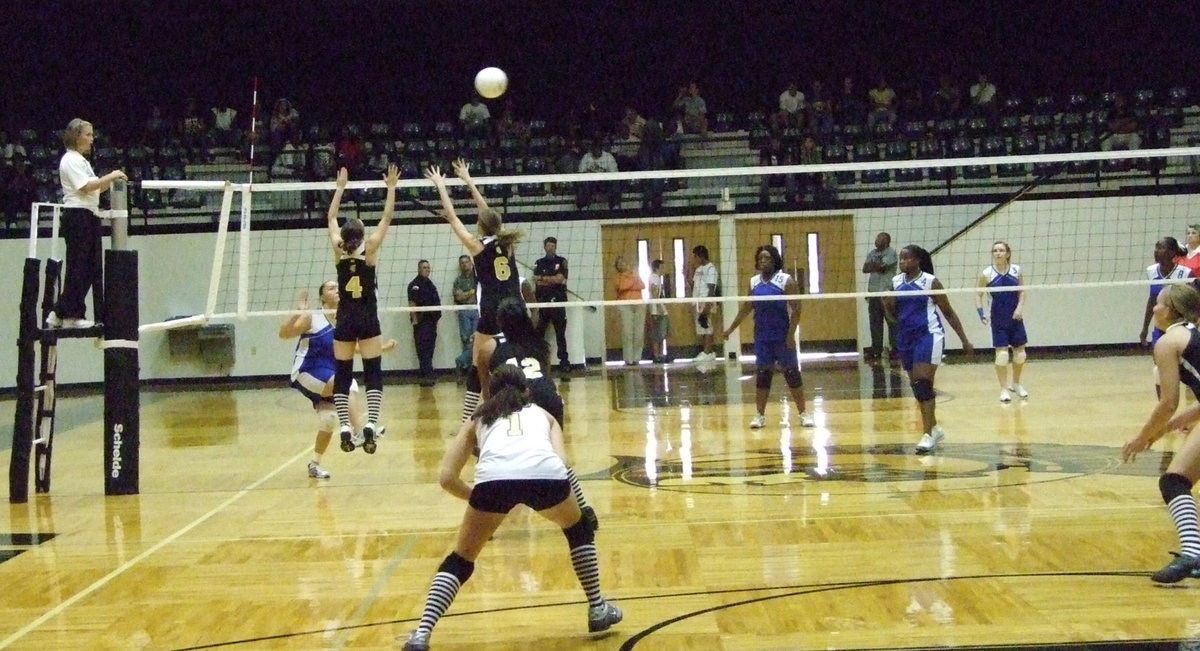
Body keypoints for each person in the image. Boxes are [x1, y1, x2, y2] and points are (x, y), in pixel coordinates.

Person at [398, 365, 622, 651]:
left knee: (461, 559)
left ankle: (421, 634)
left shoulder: (477, 419)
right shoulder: (544, 415)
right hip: (546, 476)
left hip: (493, 482)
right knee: (579, 530)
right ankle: (598, 608)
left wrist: (478, 499)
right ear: (527, 390)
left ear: (488, 393)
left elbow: (446, 478)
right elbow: (563, 465)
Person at [483, 298, 598, 529]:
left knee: (498, 459)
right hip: (549, 400)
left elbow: (488, 391)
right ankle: (583, 509)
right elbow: (545, 378)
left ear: (500, 321)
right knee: (556, 458)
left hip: (516, 401)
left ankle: (487, 515)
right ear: (525, 318)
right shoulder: (541, 344)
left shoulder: (489, 347)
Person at [427, 158, 524, 407]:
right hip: (516, 306)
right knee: (520, 360)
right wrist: (469, 181)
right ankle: (521, 405)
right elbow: (488, 214)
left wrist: (441, 185)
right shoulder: (508, 243)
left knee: (477, 364)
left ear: (481, 225)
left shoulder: (477, 246)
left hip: (493, 309)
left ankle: (472, 414)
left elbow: (452, 216)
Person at [1121, 283, 1200, 584]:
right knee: (1175, 480)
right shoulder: (1192, 335)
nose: (1153, 308)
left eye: (1157, 303)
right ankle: (1193, 553)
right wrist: (1160, 432)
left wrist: (1142, 437)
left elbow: (1168, 403)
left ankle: (1193, 553)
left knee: (1174, 481)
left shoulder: (1167, 343)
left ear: (1168, 310)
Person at [278, 282, 397, 477]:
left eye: (338, 287)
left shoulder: (345, 320)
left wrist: (382, 348)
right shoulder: (312, 317)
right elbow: (283, 334)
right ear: (322, 297)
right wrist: (298, 312)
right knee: (348, 383)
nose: (337, 290)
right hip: (307, 370)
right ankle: (359, 432)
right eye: (331, 288)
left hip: (328, 375)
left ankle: (314, 464)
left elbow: (353, 348)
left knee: (328, 420)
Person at [326, 164, 399, 454]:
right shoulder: (370, 250)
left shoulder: (338, 249)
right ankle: (371, 423)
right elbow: (387, 217)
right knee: (373, 372)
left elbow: (331, 217)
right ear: (361, 235)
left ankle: (345, 426)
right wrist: (391, 188)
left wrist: (340, 188)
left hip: (344, 318)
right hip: (368, 318)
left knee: (343, 373)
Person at [884, 245, 974, 454]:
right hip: (905, 338)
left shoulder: (930, 282)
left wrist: (964, 340)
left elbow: (948, 312)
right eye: (901, 259)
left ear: (918, 260)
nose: (903, 262)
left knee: (923, 383)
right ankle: (934, 428)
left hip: (928, 335)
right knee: (917, 388)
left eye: (907, 258)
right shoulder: (895, 283)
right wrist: (886, 304)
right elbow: (893, 318)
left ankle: (927, 435)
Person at [719, 245, 815, 428]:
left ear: (774, 260)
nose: (763, 261)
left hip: (782, 336)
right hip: (762, 337)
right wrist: (730, 329)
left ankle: (803, 413)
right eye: (760, 258)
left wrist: (790, 335)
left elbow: (797, 310)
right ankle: (759, 415)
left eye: (767, 258)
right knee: (763, 375)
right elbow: (747, 307)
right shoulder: (754, 282)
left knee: (792, 373)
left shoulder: (786, 280)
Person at [46, 119, 127, 330]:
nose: (92, 139)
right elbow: (85, 187)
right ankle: (69, 314)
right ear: (77, 136)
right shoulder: (70, 160)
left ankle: (60, 312)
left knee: (88, 267)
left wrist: (111, 181)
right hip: (78, 216)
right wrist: (111, 175)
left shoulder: (81, 161)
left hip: (88, 214)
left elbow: (95, 188)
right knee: (79, 266)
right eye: (88, 135)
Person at [975, 241, 1029, 403]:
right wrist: (981, 313)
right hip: (998, 318)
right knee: (1002, 356)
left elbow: (1022, 291)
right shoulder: (987, 273)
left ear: (1007, 253)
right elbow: (978, 294)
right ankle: (1004, 389)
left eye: (1001, 250)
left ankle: (1016, 384)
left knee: (1020, 355)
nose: (998, 253)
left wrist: (1020, 308)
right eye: (995, 250)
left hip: (1015, 318)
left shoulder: (1016, 270)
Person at [1141, 238, 1192, 349]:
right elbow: (1152, 300)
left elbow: (1193, 303)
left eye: (1160, 248)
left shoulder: (1186, 273)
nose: (1156, 251)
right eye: (1156, 247)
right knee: (1159, 355)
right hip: (1161, 325)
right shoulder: (1151, 271)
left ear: (1172, 252)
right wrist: (1145, 328)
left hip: (1181, 325)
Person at [533, 236, 571, 372]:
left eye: (552, 246)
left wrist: (543, 278)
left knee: (560, 334)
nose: (550, 248)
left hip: (558, 302)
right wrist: (551, 279)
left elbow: (560, 280)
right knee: (539, 334)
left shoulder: (562, 261)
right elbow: (536, 281)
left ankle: (564, 362)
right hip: (543, 303)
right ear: (544, 247)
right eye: (548, 246)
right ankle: (538, 361)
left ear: (556, 247)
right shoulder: (539, 262)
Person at [861, 232, 898, 362]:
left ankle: (895, 349)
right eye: (876, 238)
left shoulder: (891, 253)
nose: (876, 240)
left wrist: (874, 265)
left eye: (879, 238)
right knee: (875, 323)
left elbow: (882, 267)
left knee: (892, 322)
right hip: (874, 293)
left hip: (887, 293)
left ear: (886, 241)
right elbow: (865, 269)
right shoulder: (872, 252)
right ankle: (876, 349)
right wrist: (875, 265)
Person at [407, 259, 442, 386]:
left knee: (430, 348)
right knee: (423, 349)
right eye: (424, 267)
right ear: (419, 269)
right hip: (422, 322)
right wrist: (415, 321)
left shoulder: (430, 284)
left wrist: (436, 319)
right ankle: (428, 374)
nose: (427, 269)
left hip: (431, 322)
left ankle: (424, 375)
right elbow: (412, 303)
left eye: (428, 267)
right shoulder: (414, 285)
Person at [612, 256, 646, 365]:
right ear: (617, 266)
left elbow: (642, 285)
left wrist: (632, 281)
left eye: (623, 262)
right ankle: (628, 359)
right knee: (627, 333)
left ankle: (637, 358)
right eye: (619, 263)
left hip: (639, 304)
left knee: (639, 332)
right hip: (625, 305)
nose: (622, 264)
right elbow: (622, 286)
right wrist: (634, 281)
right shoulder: (617, 277)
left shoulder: (634, 274)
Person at [690, 245, 720, 361]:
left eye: (695, 257)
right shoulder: (698, 269)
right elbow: (693, 285)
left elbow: (711, 289)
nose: (694, 259)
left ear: (701, 256)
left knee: (707, 326)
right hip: (697, 301)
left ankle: (707, 352)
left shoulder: (710, 269)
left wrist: (708, 304)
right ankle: (707, 352)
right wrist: (687, 275)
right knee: (702, 327)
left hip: (705, 300)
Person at [452, 255, 479, 376]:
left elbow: (475, 295)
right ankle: (468, 370)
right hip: (463, 310)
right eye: (462, 263)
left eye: (466, 262)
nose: (464, 264)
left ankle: (461, 361)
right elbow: (459, 297)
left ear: (471, 263)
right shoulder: (458, 280)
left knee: (476, 339)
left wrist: (465, 294)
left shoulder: (477, 278)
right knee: (466, 339)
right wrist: (471, 293)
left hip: (476, 309)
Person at [647, 259, 672, 363]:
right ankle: (657, 355)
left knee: (662, 333)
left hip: (659, 308)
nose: (663, 269)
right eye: (662, 267)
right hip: (657, 309)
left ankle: (660, 354)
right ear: (657, 268)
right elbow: (654, 293)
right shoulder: (654, 277)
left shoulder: (657, 278)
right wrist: (656, 309)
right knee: (657, 333)